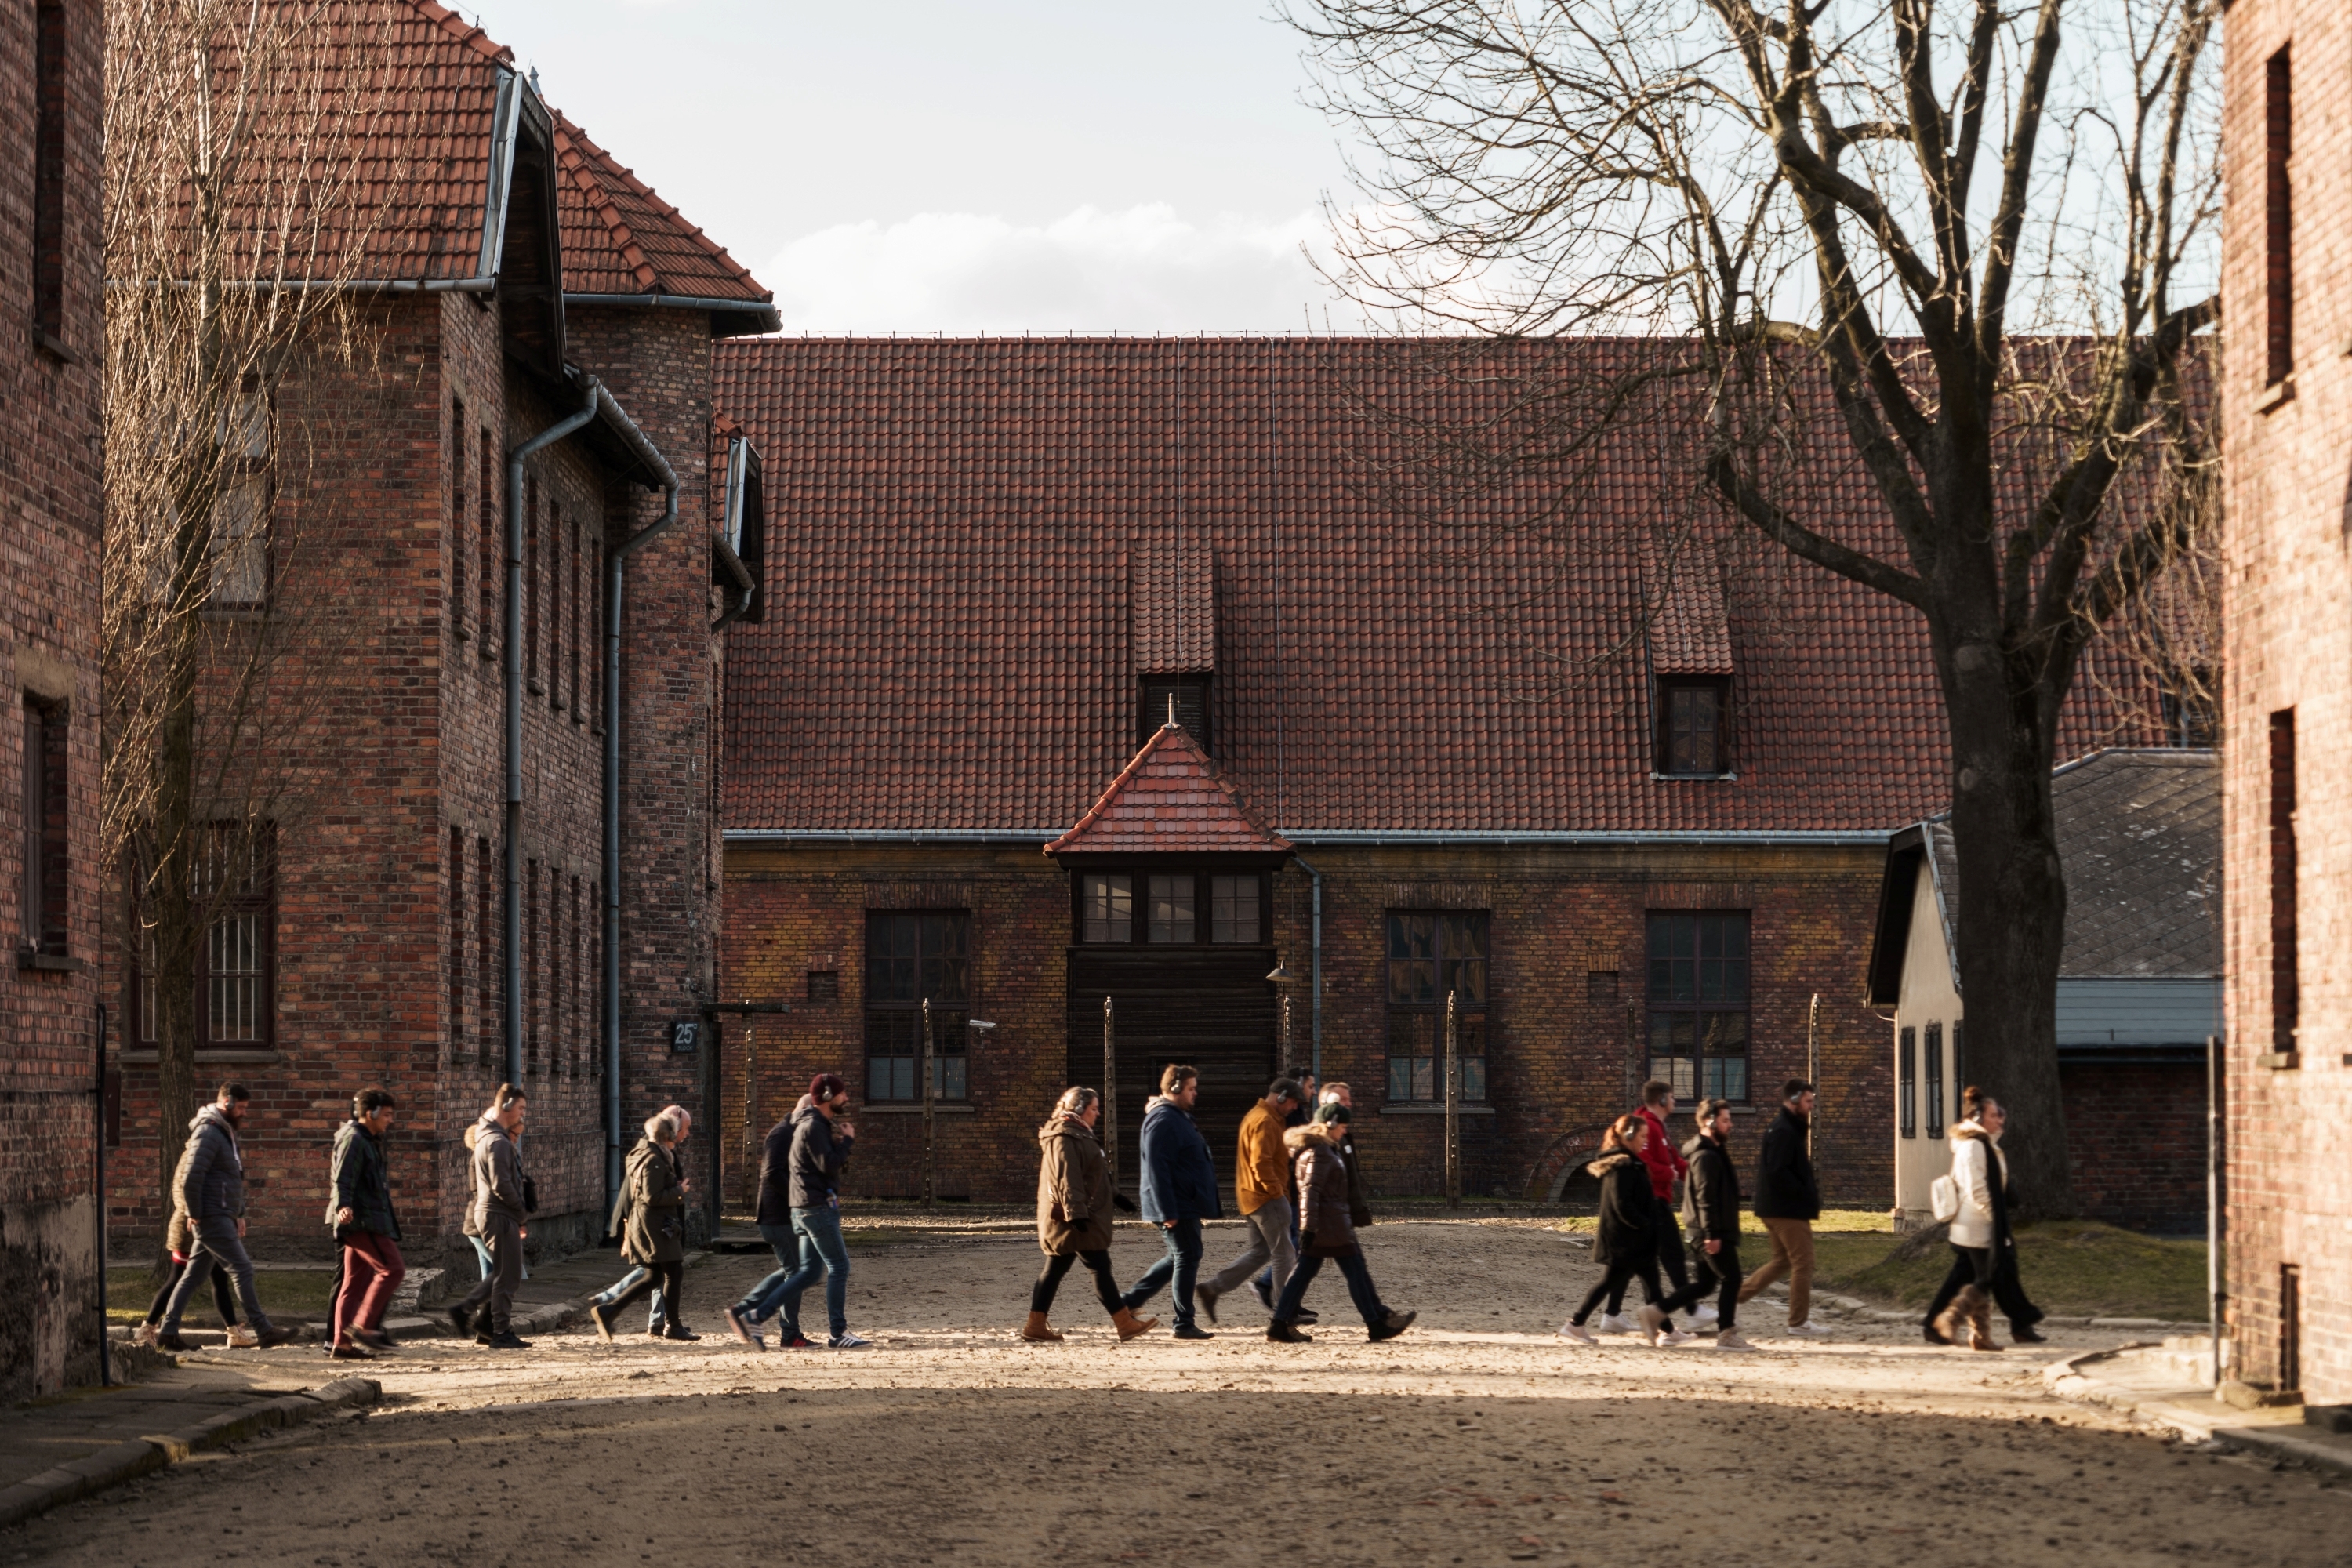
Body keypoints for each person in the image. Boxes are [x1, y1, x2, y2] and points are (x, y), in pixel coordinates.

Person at [155, 1083, 294, 1352]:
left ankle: (168, 1332)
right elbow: (191, 1177)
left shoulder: (223, 1132)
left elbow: (231, 1178)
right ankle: (264, 1329)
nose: (243, 1113)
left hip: (219, 1214)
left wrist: (238, 1213)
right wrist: (195, 1212)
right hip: (211, 1215)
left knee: (192, 1278)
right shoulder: (208, 1132)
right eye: (241, 1108)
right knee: (242, 1269)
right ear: (227, 1103)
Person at [1265, 1102, 1415, 1343]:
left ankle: (1279, 1323)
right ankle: (1375, 1323)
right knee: (1355, 1272)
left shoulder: (1318, 1148)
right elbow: (1311, 1192)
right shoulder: (1321, 1152)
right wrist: (1309, 1227)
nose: (1344, 1131)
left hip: (1326, 1224)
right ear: (1330, 1124)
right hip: (1330, 1225)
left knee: (1305, 1273)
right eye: (1342, 1126)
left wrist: (1309, 1227)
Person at [1020, 1087, 1160, 1342]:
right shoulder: (1063, 1136)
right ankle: (1124, 1324)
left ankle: (1035, 1326)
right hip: (1073, 1217)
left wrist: (1116, 1196)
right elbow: (1067, 1176)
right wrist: (1076, 1214)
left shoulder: (1077, 1133)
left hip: (1076, 1214)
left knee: (1056, 1269)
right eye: (1094, 1108)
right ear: (1078, 1109)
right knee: (1099, 1268)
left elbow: (1093, 1174)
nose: (1097, 1113)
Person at [1922, 1087, 2045, 1349]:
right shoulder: (1974, 1148)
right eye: (1994, 1115)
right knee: (1990, 1277)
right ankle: (1950, 1323)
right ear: (1977, 1118)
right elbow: (1978, 1190)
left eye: (2001, 1115)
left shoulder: (1984, 1144)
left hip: (1978, 1224)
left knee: (1971, 1277)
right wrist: (1996, 1221)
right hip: (1977, 1224)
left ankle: (2009, 1326)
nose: (2000, 1120)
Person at [1558, 1114, 1688, 1346]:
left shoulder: (1627, 1162)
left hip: (1630, 1239)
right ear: (1628, 1136)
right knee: (1613, 1282)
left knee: (1651, 1284)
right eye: (1642, 1136)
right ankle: (1575, 1325)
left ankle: (1668, 1331)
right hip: (1627, 1240)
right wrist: (1645, 1224)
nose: (1645, 1142)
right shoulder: (1623, 1166)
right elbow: (1622, 1204)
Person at [763, 1074, 867, 1349]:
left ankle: (758, 1314)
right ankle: (838, 1332)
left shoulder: (812, 1125)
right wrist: (847, 1141)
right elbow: (828, 1164)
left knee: (806, 1272)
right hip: (816, 1208)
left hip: (808, 1207)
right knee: (838, 1266)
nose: (846, 1099)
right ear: (829, 1096)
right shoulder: (812, 1127)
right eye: (843, 1094)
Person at [1120, 1065, 1221, 1339]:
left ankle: (1128, 1302)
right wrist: (1166, 1208)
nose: (1195, 1093)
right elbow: (1157, 1167)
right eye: (1191, 1088)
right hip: (1176, 1203)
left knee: (1182, 1256)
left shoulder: (1176, 1116)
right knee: (1187, 1256)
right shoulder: (1163, 1119)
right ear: (1175, 1088)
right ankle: (1183, 1322)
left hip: (1183, 1201)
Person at [1196, 1078, 1302, 1325]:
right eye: (1294, 1102)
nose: (1294, 1108)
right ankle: (1285, 1314)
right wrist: (1278, 1192)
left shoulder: (1256, 1115)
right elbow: (1260, 1163)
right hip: (1267, 1198)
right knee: (1284, 1253)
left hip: (1251, 1197)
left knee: (1260, 1252)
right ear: (1282, 1097)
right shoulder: (1265, 1121)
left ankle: (1213, 1288)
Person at [591, 1113, 697, 1341]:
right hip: (655, 1225)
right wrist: (680, 1192)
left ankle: (609, 1311)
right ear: (667, 1135)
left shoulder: (646, 1154)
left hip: (649, 1222)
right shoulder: (654, 1159)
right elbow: (651, 1196)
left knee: (654, 1275)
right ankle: (672, 1325)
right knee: (673, 1272)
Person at [1738, 1079, 1831, 1338]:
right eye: (1808, 1101)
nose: (1812, 1106)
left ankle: (1733, 1300)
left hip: (1777, 1207)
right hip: (1787, 1210)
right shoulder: (1783, 1130)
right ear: (1793, 1101)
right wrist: (1802, 1194)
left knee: (1781, 1262)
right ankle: (1798, 1322)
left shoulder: (1787, 1127)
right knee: (1804, 1263)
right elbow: (1778, 1172)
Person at [325, 1087, 405, 1359]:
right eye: (386, 1114)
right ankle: (364, 1326)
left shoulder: (367, 1140)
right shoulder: (354, 1139)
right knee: (392, 1269)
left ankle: (341, 1344)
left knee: (354, 1282)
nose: (390, 1120)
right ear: (369, 1114)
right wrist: (343, 1205)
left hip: (364, 1219)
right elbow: (342, 1177)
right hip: (363, 1220)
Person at [449, 1083, 530, 1349]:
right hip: (498, 1213)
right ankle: (499, 1330)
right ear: (506, 1106)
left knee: (504, 1273)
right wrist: (520, 1212)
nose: (522, 1115)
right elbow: (502, 1185)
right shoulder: (497, 1142)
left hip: (492, 1212)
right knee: (508, 1276)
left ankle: (478, 1319)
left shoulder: (488, 1137)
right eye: (520, 1109)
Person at [724, 1103, 811, 1348]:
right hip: (778, 1218)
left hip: (784, 1217)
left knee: (793, 1271)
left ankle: (748, 1311)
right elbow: (772, 1174)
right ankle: (787, 1333)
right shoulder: (782, 1134)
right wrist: (799, 1197)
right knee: (797, 1273)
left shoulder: (791, 1134)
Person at [1676, 1098, 1754, 1352]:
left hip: (1715, 1229)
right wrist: (1711, 1233)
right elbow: (1705, 1196)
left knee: (1706, 1284)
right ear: (1710, 1121)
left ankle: (1656, 1312)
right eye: (1725, 1120)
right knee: (1731, 1279)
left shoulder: (1714, 1151)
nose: (1730, 1125)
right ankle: (1726, 1333)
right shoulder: (1705, 1155)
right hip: (1711, 1230)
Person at [137, 1189, 249, 1348]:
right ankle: (152, 1329)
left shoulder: (201, 1164)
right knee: (179, 1280)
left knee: (219, 1279)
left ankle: (234, 1332)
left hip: (202, 1229)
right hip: (192, 1231)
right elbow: (188, 1193)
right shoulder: (195, 1164)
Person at [1250, 1066, 1319, 1316]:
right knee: (1292, 1248)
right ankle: (1274, 1293)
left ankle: (1285, 1299)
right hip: (1287, 1190)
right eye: (1310, 1086)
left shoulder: (1296, 1112)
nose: (1313, 1091)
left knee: (1292, 1247)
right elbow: (1272, 1157)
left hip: (1291, 1189)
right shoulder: (1288, 1116)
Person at [643, 1104, 694, 1335]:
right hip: (661, 1223)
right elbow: (653, 1195)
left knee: (661, 1273)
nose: (687, 1133)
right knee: (664, 1273)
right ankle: (609, 1302)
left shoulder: (663, 1153)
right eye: (686, 1128)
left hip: (665, 1222)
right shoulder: (658, 1155)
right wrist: (679, 1191)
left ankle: (661, 1320)